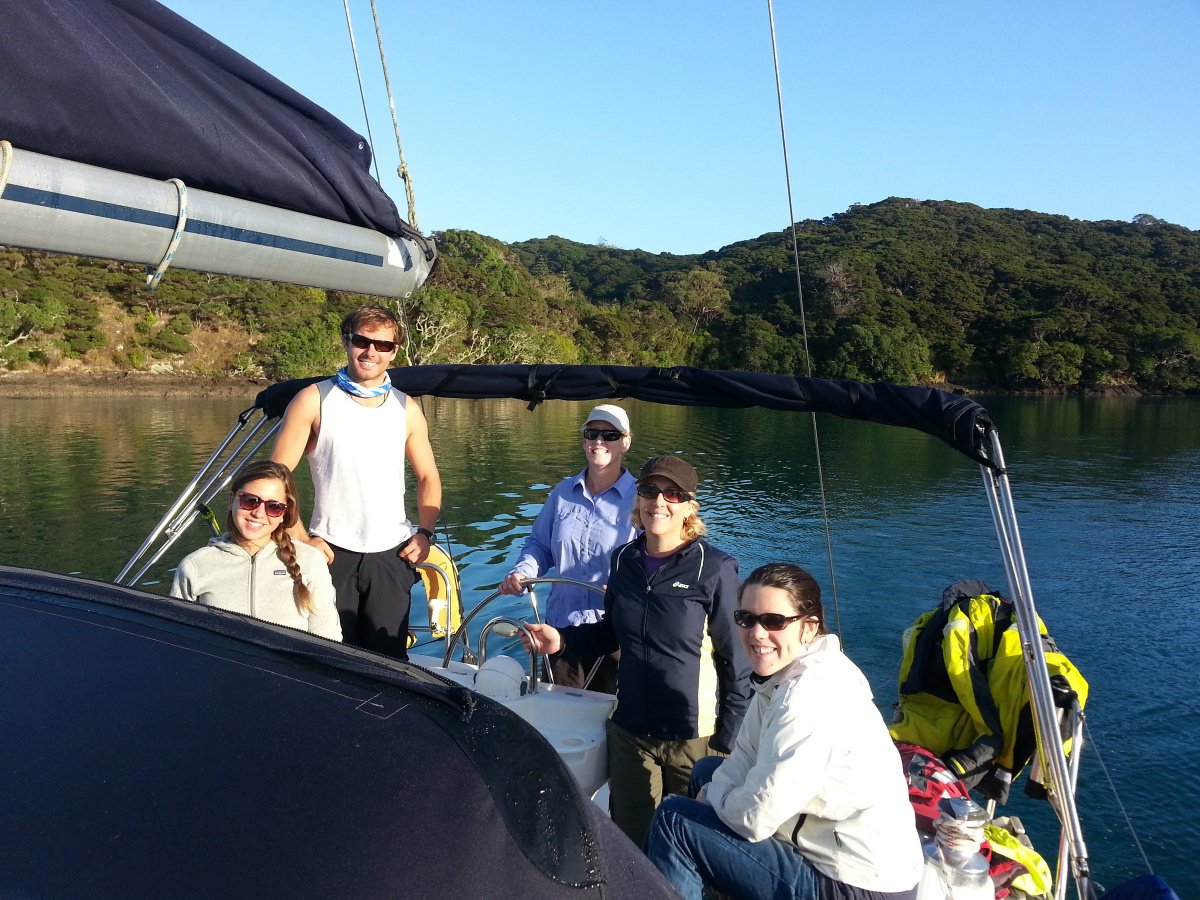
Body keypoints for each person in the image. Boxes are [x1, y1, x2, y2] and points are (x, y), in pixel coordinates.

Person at [644, 562, 923, 900]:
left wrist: (713, 798)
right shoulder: (780, 677)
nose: (757, 633)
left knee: (674, 821)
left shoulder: (811, 694)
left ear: (809, 627)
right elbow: (743, 758)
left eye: (774, 621)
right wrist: (714, 792)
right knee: (706, 771)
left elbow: (756, 816)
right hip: (829, 850)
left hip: (856, 883)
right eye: (746, 619)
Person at [522, 455, 751, 846]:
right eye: (649, 490)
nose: (658, 501)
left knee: (688, 849)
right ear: (638, 499)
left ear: (689, 507)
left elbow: (737, 664)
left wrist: (726, 745)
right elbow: (610, 634)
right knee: (631, 843)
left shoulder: (713, 569)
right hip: (630, 733)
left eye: (672, 494)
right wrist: (561, 640)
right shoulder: (623, 559)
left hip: (692, 740)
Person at [270, 305, 441, 660]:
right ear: (347, 341)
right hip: (330, 552)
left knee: (389, 661)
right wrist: (302, 538)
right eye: (362, 341)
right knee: (331, 658)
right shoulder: (313, 400)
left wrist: (425, 533)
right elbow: (275, 479)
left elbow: (428, 476)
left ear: (394, 352)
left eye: (383, 345)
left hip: (392, 555)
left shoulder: (407, 409)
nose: (371, 352)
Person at [498, 403, 637, 691]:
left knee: (610, 713)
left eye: (610, 435)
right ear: (584, 440)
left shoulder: (643, 499)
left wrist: (626, 587)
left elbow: (653, 561)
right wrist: (523, 572)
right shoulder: (562, 493)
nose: (599, 441)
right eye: (592, 433)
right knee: (556, 711)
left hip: (612, 634)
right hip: (560, 632)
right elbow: (540, 545)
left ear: (625, 442)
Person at [171, 460, 341, 640]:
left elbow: (328, 639)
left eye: (274, 507)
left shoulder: (310, 561)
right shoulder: (194, 566)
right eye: (249, 501)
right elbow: (178, 641)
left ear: (284, 513)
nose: (259, 513)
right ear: (231, 500)